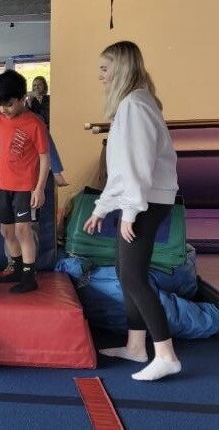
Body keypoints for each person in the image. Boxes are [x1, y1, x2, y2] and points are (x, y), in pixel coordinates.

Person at [83, 40, 180, 381]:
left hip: (146, 202)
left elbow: (138, 166)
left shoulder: (136, 106)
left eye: (105, 69)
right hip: (143, 200)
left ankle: (166, 353)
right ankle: (136, 345)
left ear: (121, 69)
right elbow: (121, 169)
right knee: (126, 273)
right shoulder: (132, 103)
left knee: (135, 276)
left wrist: (130, 212)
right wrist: (102, 208)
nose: (101, 77)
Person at [0, 70, 49, 294]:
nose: (4, 110)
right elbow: (1, 150)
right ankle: (15, 266)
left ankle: (28, 275)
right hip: (4, 185)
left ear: (23, 98)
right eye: (0, 105)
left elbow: (45, 158)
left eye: (9, 104)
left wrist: (40, 188)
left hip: (26, 187)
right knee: (6, 231)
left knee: (24, 231)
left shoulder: (35, 124)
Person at [26, 76, 69, 187]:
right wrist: (30, 104)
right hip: (35, 131)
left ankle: (56, 173)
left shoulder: (49, 99)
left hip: (47, 127)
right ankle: (57, 172)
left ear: (44, 86)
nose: (36, 87)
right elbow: (29, 118)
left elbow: (48, 116)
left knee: (45, 146)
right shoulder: (30, 101)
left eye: (39, 84)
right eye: (34, 85)